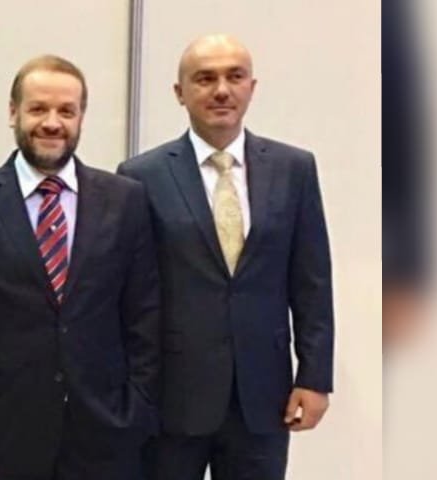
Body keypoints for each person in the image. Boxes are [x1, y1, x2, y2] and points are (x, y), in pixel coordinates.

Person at [117, 34, 334, 480]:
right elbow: (131, 294)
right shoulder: (141, 176)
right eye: (205, 79)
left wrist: (315, 376)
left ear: (252, 87)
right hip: (172, 397)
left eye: (234, 77)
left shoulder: (294, 169)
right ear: (179, 92)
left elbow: (312, 281)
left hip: (263, 395)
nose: (221, 90)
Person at [0, 55, 160, 480]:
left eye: (66, 111)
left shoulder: (125, 200)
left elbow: (144, 315)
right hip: (2, 438)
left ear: (81, 118)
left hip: (106, 434)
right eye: (38, 108)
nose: (52, 123)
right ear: (13, 112)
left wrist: (137, 411)